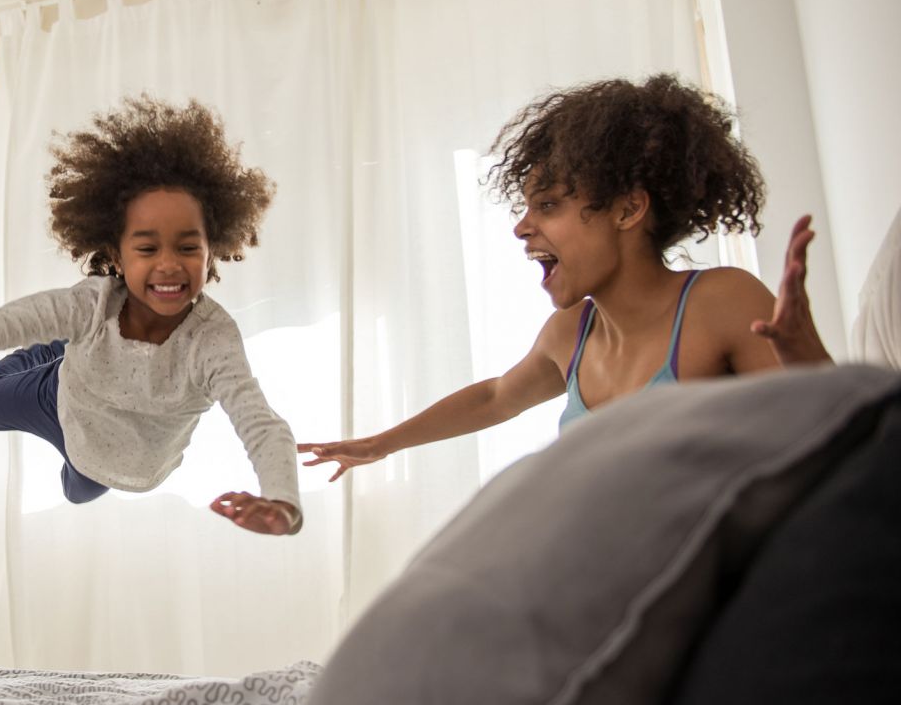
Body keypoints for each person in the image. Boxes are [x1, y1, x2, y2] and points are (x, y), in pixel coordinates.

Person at [302, 74, 831, 480]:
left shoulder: (722, 302)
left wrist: (808, 359)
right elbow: (495, 398)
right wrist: (381, 445)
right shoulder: (572, 334)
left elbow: (837, 443)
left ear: (628, 210)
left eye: (549, 204)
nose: (521, 227)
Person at [0, 97, 304, 536]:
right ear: (116, 254)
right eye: (147, 247)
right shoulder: (95, 303)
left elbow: (260, 422)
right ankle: (58, 352)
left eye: (187, 247)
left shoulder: (212, 339)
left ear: (211, 251)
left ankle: (61, 350)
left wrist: (282, 501)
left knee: (79, 489)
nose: (168, 264)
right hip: (63, 399)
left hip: (121, 463)